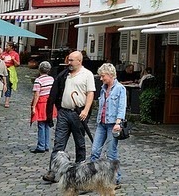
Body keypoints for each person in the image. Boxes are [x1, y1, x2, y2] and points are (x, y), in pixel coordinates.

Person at [42, 51, 96, 184]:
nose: (69, 63)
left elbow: (90, 94)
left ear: (79, 61)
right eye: (69, 60)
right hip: (64, 113)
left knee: (80, 143)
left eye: (71, 60)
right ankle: (53, 171)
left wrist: (86, 110)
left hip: (78, 113)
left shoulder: (87, 74)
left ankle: (80, 172)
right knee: (59, 143)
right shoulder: (64, 74)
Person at [90, 63, 127, 189]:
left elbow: (122, 107)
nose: (101, 78)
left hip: (112, 125)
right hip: (101, 123)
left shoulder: (120, 89)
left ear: (110, 75)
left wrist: (118, 123)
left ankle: (115, 180)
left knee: (111, 154)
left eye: (103, 76)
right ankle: (92, 179)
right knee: (95, 151)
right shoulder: (103, 88)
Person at [30, 61, 55, 153]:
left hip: (41, 103)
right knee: (47, 124)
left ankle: (41, 146)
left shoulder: (38, 80)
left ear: (39, 69)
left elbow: (37, 94)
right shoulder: (51, 79)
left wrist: (33, 106)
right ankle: (46, 145)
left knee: (41, 125)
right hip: (50, 104)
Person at [1, 41, 20, 108]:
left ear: (11, 47)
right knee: (0, 85)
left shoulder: (15, 54)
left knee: (8, 85)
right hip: (2, 70)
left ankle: (7, 101)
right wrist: (1, 59)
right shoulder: (3, 53)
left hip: (10, 70)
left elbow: (18, 64)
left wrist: (13, 60)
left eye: (7, 46)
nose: (6, 47)